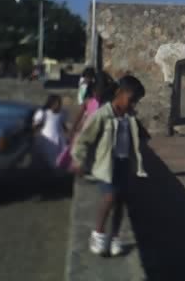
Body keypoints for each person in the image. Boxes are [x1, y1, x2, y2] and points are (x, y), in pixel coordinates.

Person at [71, 75, 148, 257]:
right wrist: (79, 160)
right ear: (119, 94)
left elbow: (137, 139)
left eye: (136, 102)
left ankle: (114, 236)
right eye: (131, 100)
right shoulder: (102, 115)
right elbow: (84, 139)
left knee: (121, 201)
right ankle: (98, 233)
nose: (133, 105)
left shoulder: (129, 118)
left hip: (123, 164)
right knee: (110, 196)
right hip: (106, 165)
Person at [33, 94, 68, 171]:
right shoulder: (43, 113)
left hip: (58, 138)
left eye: (60, 103)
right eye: (56, 103)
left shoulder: (61, 114)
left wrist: (68, 133)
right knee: (47, 157)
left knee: (58, 158)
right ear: (50, 103)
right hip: (47, 139)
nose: (58, 105)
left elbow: (63, 125)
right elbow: (35, 126)